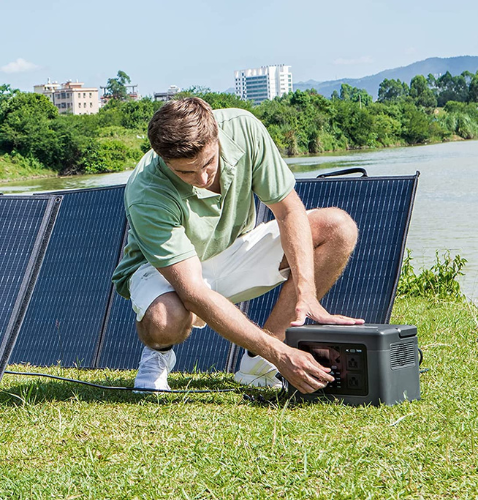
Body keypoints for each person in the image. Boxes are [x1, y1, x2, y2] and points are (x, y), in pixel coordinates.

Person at [112, 97, 364, 394]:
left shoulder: (244, 128)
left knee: (338, 228)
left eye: (208, 163)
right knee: (166, 319)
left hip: (234, 251)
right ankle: (159, 353)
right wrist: (282, 354)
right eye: (186, 173)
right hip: (165, 272)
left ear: (216, 135)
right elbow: (193, 291)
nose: (203, 178)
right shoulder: (146, 191)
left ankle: (258, 366)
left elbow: (287, 211)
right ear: (162, 159)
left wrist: (306, 291)